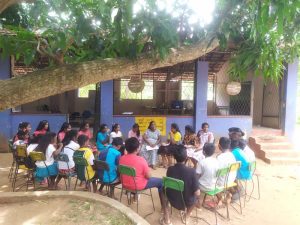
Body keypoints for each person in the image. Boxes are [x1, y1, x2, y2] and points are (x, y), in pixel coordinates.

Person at [119, 137, 167, 218]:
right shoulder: (141, 160)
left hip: (125, 184)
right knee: (161, 182)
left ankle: (134, 198)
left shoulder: (122, 158)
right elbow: (149, 177)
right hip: (137, 186)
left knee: (136, 177)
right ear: (138, 149)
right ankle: (164, 208)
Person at [165, 145, 200, 224]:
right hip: (186, 203)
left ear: (174, 157)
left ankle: (166, 217)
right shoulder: (192, 171)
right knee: (197, 197)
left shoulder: (170, 169)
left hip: (172, 200)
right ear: (186, 157)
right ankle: (187, 216)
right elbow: (197, 193)